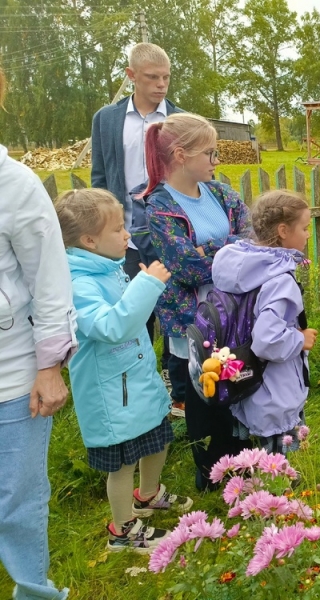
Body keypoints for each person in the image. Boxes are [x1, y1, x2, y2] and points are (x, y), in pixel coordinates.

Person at [55, 188, 192, 553]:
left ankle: (147, 495)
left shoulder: (108, 267)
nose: (127, 234)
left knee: (157, 438)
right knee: (123, 463)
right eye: (118, 229)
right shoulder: (78, 283)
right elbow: (110, 327)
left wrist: (142, 286)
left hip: (135, 380)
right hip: (112, 392)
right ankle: (123, 529)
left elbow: (129, 316)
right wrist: (146, 285)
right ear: (89, 240)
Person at [143, 112, 252, 491]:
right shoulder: (159, 207)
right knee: (205, 396)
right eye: (210, 152)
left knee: (238, 386)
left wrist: (211, 249)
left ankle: (245, 465)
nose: (216, 160)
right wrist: (229, 248)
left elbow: (250, 241)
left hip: (235, 314)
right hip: (193, 320)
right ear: (180, 155)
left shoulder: (221, 193)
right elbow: (186, 267)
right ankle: (211, 475)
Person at [0, 67, 73, 600]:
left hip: (11, 374)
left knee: (17, 497)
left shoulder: (15, 185)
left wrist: (49, 366)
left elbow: (49, 281)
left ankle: (32, 590)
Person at [90, 42, 182, 413]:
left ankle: (179, 391)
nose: (161, 85)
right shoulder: (107, 119)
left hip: (169, 234)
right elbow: (100, 174)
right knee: (132, 311)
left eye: (166, 77)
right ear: (131, 76)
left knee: (174, 309)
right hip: (125, 237)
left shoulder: (178, 120)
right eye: (152, 77)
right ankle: (139, 386)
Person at [211, 191, 317, 454]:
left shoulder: (244, 265)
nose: (308, 234)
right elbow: (267, 339)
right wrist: (300, 339)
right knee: (280, 466)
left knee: (260, 457)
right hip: (275, 391)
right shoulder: (279, 279)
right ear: (283, 230)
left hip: (246, 381)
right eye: (304, 228)